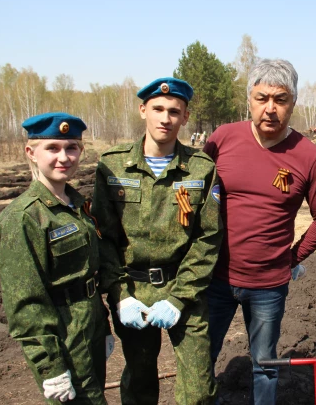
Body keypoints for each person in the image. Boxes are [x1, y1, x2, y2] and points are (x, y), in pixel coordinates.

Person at [203, 58, 316, 404]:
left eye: (280, 99)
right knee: (201, 355)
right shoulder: (222, 140)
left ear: (293, 103)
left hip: (268, 287)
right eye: (262, 98)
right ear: (248, 98)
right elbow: (195, 193)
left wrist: (293, 257)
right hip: (216, 278)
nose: (270, 109)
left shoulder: (307, 156)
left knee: (266, 363)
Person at [92, 78, 221, 404]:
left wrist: (179, 298)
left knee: (199, 391)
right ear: (143, 110)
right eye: (158, 109)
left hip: (185, 290)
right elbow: (104, 238)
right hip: (134, 290)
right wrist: (119, 295)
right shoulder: (112, 165)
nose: (165, 118)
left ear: (185, 117)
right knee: (139, 384)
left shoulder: (201, 168)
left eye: (174, 111)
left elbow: (208, 238)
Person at [0, 113, 113, 404]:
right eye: (53, 148)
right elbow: (26, 303)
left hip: (90, 329)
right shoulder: (23, 218)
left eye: (72, 147)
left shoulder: (77, 204)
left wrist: (102, 325)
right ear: (31, 153)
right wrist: (50, 367)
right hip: (63, 339)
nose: (64, 157)